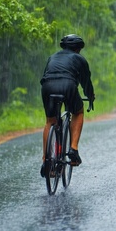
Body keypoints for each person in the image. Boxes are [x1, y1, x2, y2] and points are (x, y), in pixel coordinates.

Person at [40, 34, 94, 176]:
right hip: (68, 85)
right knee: (78, 112)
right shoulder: (79, 59)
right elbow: (86, 82)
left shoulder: (52, 57)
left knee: (50, 121)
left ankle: (46, 161)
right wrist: (90, 97)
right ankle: (73, 149)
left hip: (47, 86)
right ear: (78, 49)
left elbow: (47, 73)